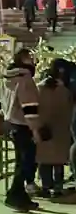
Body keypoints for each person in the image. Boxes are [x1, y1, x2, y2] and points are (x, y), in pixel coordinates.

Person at [0, 48, 41, 211]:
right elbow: (29, 107)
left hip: (11, 122)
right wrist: (35, 129)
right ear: (23, 60)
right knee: (26, 162)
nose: (33, 61)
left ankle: (19, 195)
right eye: (29, 58)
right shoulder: (25, 78)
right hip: (24, 125)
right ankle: (15, 194)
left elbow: (0, 100)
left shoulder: (7, 78)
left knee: (21, 161)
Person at [36, 58, 73, 197]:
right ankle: (57, 187)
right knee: (58, 160)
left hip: (43, 127)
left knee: (44, 159)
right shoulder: (64, 90)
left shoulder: (39, 88)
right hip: (61, 129)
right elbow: (69, 109)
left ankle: (46, 186)